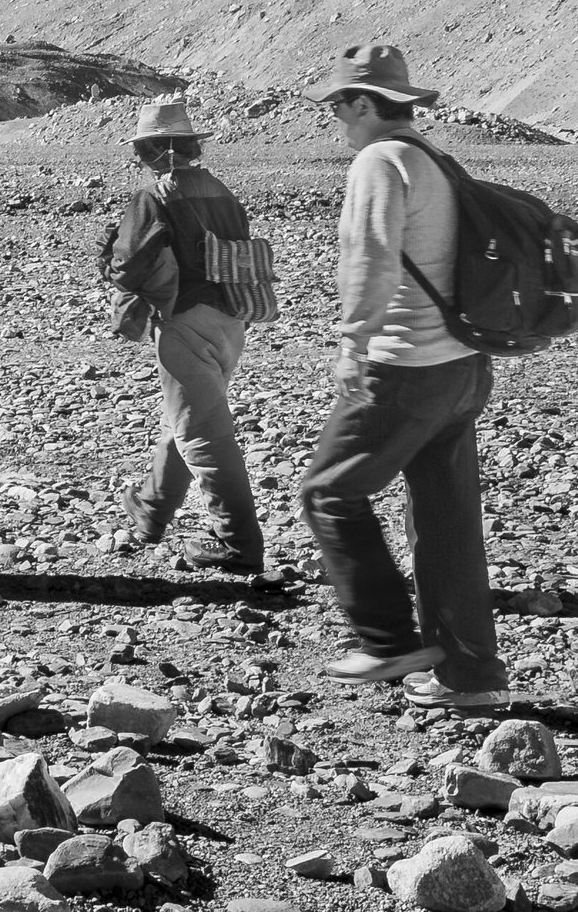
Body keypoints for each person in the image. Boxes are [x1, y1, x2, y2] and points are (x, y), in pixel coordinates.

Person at [299, 45, 508, 708]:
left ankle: (387, 639)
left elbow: (371, 258)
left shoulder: (379, 161)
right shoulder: (435, 160)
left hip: (406, 365)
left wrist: (353, 342)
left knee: (329, 491)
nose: (337, 117)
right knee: (446, 520)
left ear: (364, 102)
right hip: (462, 367)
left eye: (339, 105)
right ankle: (468, 677)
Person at [101, 96, 264, 573]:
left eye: (142, 149)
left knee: (203, 436)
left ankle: (239, 546)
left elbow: (127, 265)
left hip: (184, 322)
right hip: (232, 319)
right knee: (192, 416)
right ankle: (152, 509)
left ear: (159, 149)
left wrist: (110, 258)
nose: (138, 159)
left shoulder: (155, 196)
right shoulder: (222, 193)